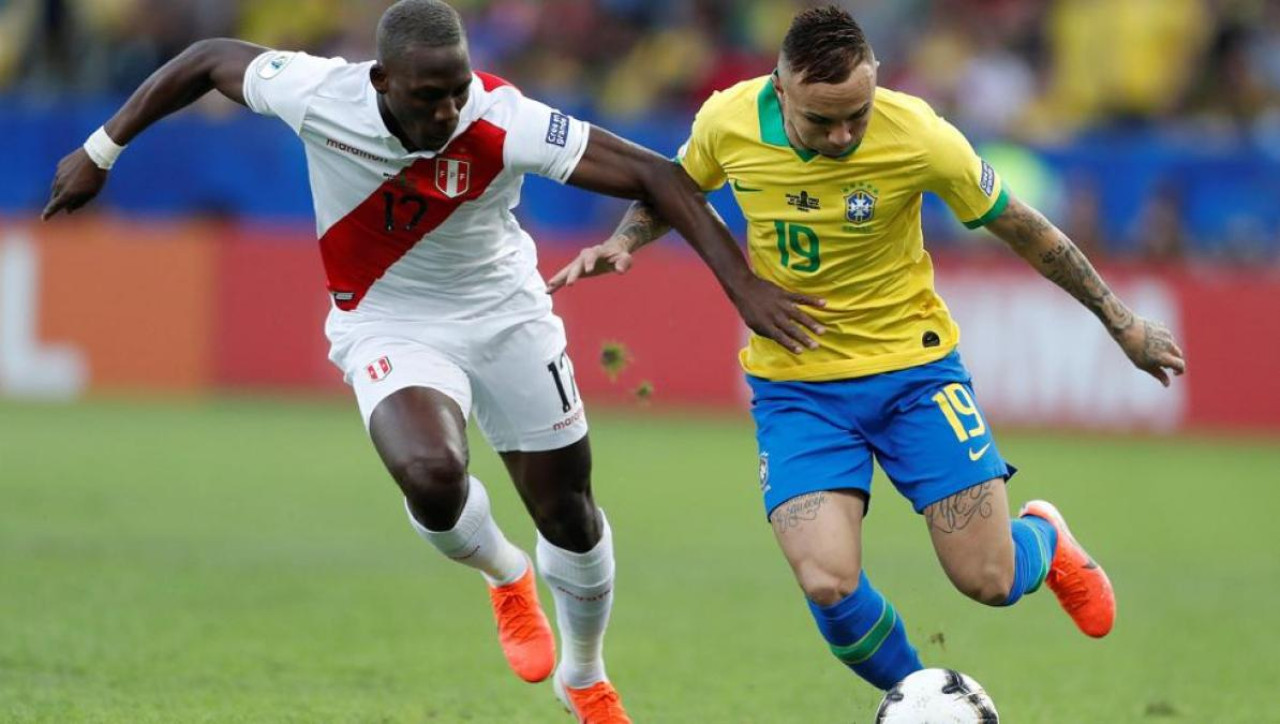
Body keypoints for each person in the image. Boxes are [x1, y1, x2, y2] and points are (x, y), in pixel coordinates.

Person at [40, 2, 817, 721]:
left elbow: (656, 174)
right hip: (387, 320)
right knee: (433, 476)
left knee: (569, 514)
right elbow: (209, 57)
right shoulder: (318, 93)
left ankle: (584, 675)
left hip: (507, 316)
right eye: (428, 97)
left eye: (457, 92)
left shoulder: (502, 119)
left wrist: (743, 285)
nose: (448, 112)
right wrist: (101, 150)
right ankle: (505, 572)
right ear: (381, 81)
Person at [550, 5, 1186, 693]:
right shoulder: (726, 121)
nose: (844, 134)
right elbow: (672, 191)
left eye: (857, 112)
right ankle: (921, 698)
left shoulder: (918, 135)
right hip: (798, 387)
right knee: (827, 582)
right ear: (780, 86)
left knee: (991, 579)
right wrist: (624, 239)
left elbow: (1023, 228)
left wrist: (1120, 320)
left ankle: (1047, 540)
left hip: (915, 375)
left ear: (876, 79)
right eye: (822, 121)